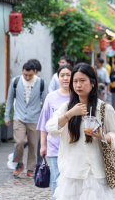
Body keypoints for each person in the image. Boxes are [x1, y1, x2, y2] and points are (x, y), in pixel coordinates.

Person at [46, 63, 115, 200]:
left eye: (82, 81)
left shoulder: (104, 109)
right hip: (72, 172)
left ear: (92, 83)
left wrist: (102, 136)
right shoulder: (66, 108)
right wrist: (70, 114)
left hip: (95, 172)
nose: (78, 85)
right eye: (75, 81)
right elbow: (51, 128)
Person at [4, 61, 47, 178]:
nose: (27, 77)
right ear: (22, 72)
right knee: (19, 142)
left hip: (35, 118)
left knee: (33, 144)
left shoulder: (41, 83)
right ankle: (19, 163)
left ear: (35, 73)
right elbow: (9, 99)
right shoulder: (15, 81)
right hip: (19, 117)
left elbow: (46, 104)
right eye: (25, 74)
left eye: (30, 75)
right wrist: (7, 115)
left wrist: (46, 120)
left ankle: (31, 168)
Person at [37, 65, 72, 197]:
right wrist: (43, 145)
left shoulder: (77, 96)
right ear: (58, 78)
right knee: (56, 179)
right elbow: (44, 123)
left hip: (71, 146)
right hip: (54, 146)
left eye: (68, 75)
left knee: (69, 179)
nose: (65, 78)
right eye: (62, 75)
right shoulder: (50, 97)